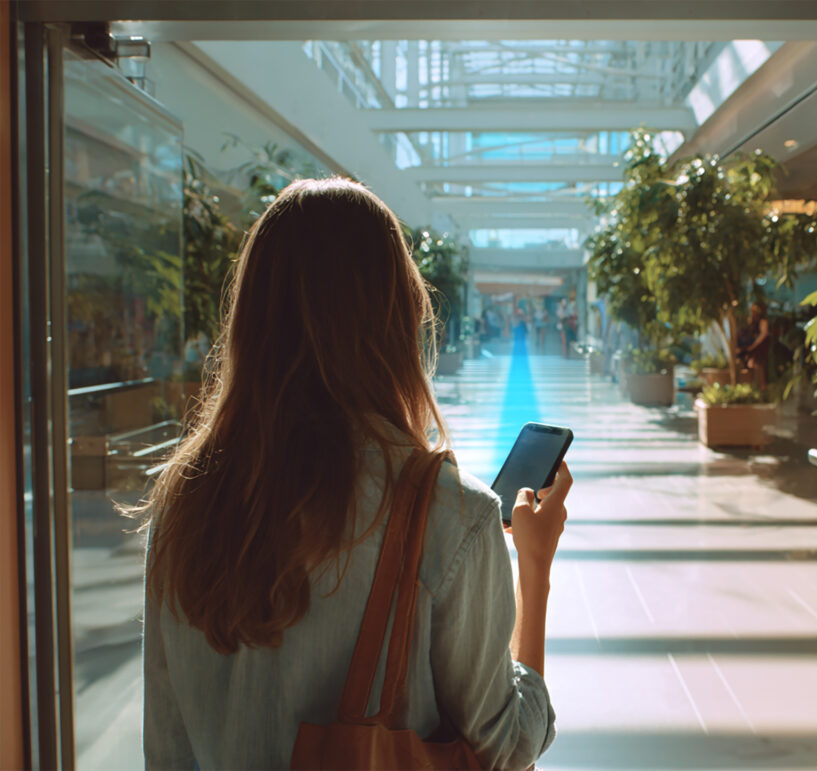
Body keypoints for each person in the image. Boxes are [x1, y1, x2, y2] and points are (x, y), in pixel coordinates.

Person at [139, 178, 571, 770]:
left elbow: (166, 748)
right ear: (397, 319)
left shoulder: (185, 501)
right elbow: (505, 751)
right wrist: (535, 570)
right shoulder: (452, 517)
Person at [737, 301, 770, 390]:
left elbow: (763, 334)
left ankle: (762, 387)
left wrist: (753, 345)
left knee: (759, 366)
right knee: (753, 366)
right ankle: (756, 386)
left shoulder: (762, 321)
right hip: (753, 347)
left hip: (759, 347)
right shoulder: (752, 320)